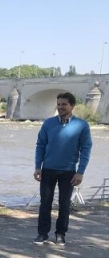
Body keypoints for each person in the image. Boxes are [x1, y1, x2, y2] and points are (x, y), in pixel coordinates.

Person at [33, 92, 92, 246]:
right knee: (45, 203)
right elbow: (40, 145)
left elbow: (86, 149)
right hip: (48, 170)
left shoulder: (82, 125)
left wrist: (81, 172)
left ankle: (60, 234)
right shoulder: (48, 123)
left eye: (64, 104)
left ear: (72, 106)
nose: (60, 107)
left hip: (69, 172)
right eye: (58, 104)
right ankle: (42, 234)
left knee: (64, 204)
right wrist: (38, 167)